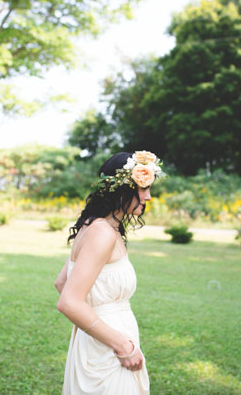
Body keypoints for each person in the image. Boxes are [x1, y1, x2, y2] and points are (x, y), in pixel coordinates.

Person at [55, 151, 164, 395]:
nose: (148, 196)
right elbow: (68, 300)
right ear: (121, 190)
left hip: (99, 340)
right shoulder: (102, 232)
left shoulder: (93, 226)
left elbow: (62, 282)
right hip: (110, 348)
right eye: (143, 188)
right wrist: (122, 345)